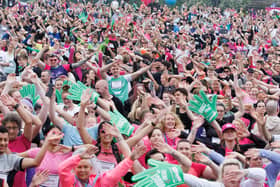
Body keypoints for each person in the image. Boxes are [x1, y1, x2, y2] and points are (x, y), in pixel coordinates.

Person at [58, 144, 146, 187]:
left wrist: (130, 159)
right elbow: (62, 169)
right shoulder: (70, 181)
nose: (82, 170)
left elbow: (114, 175)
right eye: (79, 167)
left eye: (85, 167)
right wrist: (79, 157)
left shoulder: (98, 181)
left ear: (91, 168)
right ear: (74, 168)